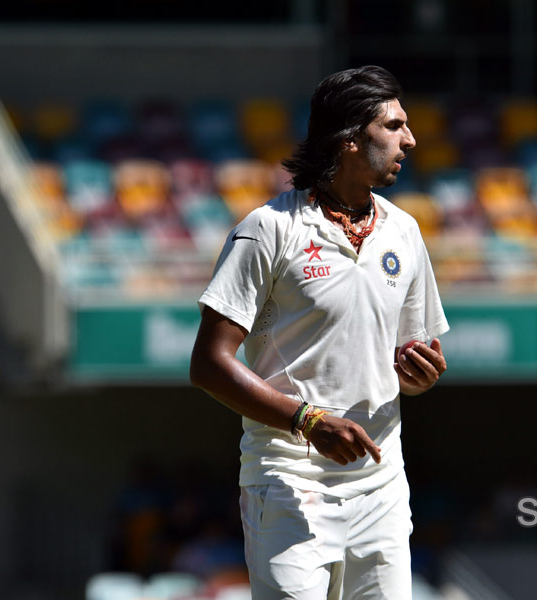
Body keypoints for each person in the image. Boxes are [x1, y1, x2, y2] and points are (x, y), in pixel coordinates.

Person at [189, 65, 449, 600]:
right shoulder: (269, 228)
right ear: (352, 139)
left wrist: (420, 376)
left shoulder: (405, 230)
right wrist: (307, 421)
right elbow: (208, 363)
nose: (411, 139)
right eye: (395, 126)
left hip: (379, 484)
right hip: (287, 482)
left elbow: (411, 360)